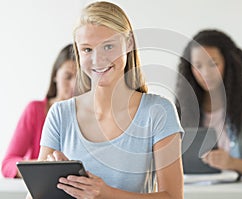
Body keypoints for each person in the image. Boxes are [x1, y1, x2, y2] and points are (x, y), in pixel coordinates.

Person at [33, 2, 184, 199]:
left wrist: (106, 194)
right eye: (87, 50)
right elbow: (33, 196)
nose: (98, 60)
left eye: (108, 46)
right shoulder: (60, 114)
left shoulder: (158, 112)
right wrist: (51, 182)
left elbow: (173, 196)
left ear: (128, 43)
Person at [175, 29, 242, 177]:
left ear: (229, 63)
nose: (206, 73)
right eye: (198, 66)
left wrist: (231, 163)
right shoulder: (183, 104)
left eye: (213, 64)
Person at [1, 44, 77, 178]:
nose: (74, 85)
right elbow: (7, 164)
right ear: (55, 75)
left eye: (80, 78)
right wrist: (43, 165)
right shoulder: (35, 110)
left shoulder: (94, 116)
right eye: (68, 77)